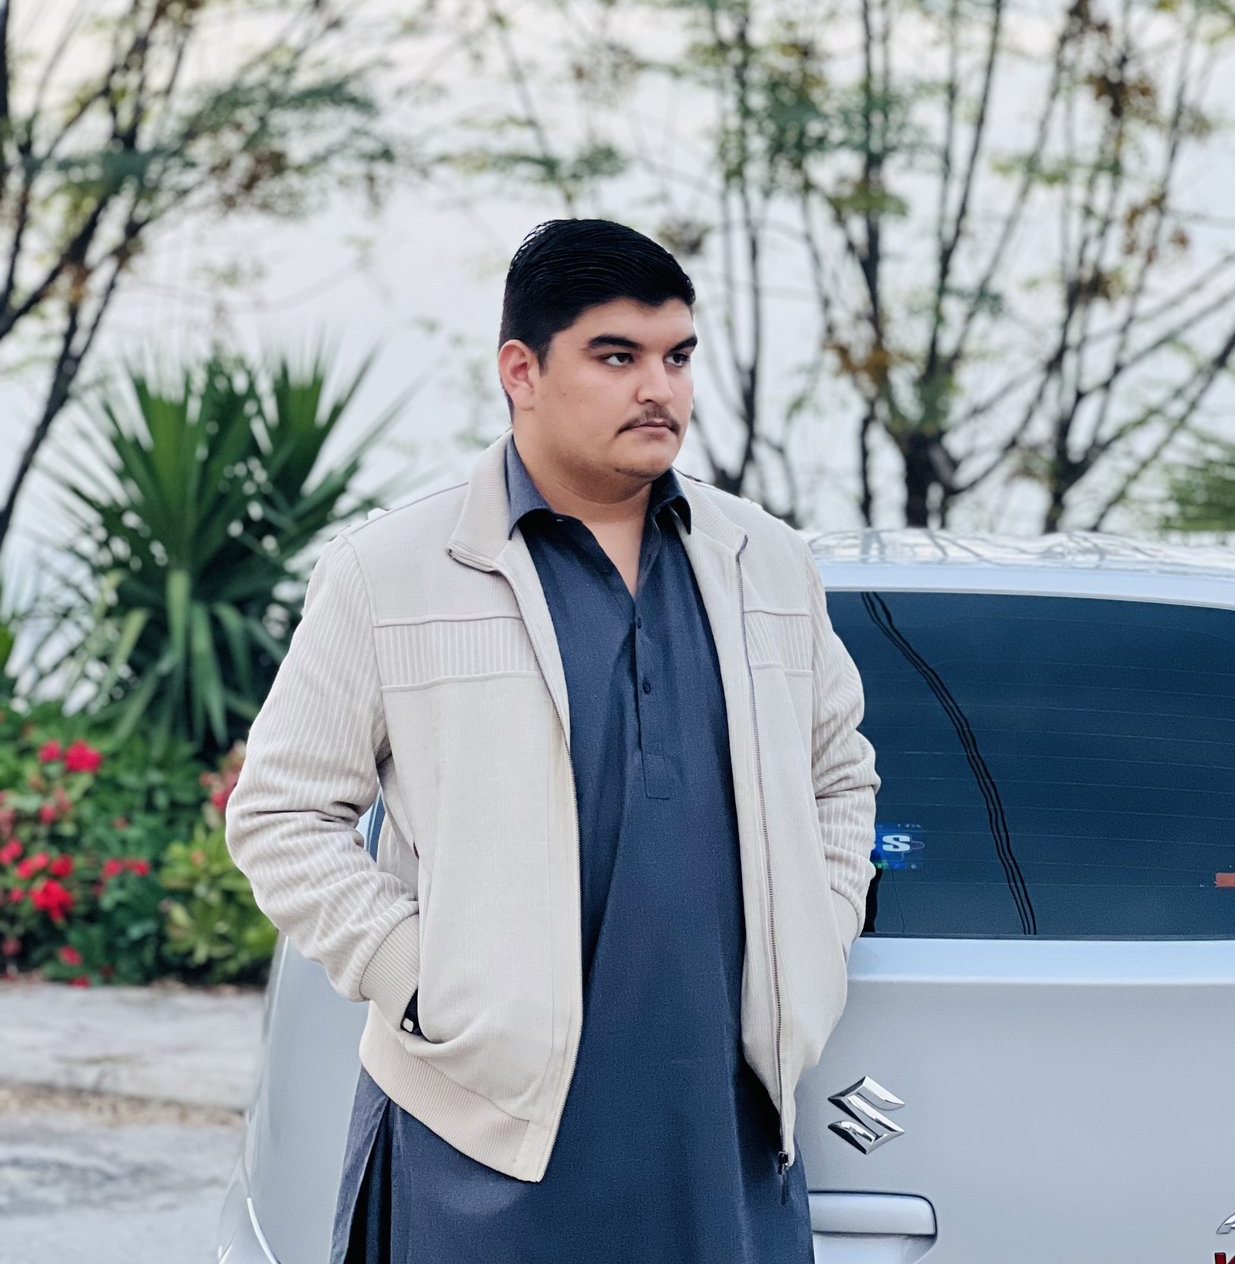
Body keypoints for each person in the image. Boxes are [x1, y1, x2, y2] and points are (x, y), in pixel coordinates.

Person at [224, 216, 880, 1264]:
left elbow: (840, 776)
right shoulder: (392, 572)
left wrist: (819, 933)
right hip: (483, 1134)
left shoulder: (765, 562)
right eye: (617, 357)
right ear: (520, 371)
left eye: (677, 357)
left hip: (724, 1132)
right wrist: (422, 979)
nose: (659, 389)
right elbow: (280, 813)